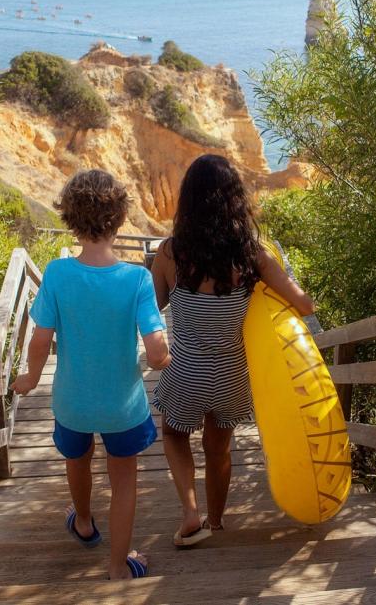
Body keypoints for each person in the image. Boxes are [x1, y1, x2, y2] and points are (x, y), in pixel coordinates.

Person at [11, 169, 171, 580]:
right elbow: (156, 347)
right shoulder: (136, 278)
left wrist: (30, 377)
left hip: (72, 402)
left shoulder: (60, 273)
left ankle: (83, 522)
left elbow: (39, 340)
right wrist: (160, 356)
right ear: (118, 220)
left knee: (77, 460)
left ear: (71, 219)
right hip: (123, 407)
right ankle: (119, 567)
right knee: (124, 482)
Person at [150, 154, 314, 547]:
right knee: (219, 449)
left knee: (173, 434)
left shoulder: (170, 253)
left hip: (186, 371)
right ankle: (217, 522)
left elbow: (151, 309)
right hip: (232, 378)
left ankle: (191, 513)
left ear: (188, 200)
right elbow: (304, 306)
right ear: (234, 200)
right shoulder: (251, 254)